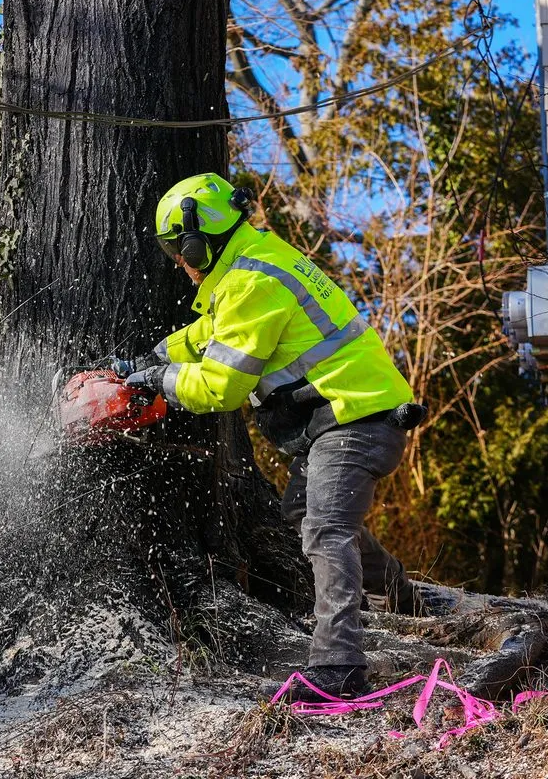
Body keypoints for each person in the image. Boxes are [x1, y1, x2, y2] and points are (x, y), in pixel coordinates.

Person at [114, 173, 427, 702]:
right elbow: (207, 337)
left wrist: (157, 382)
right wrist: (151, 360)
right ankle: (407, 597)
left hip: (356, 420)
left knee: (324, 531)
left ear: (197, 241)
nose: (177, 261)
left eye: (176, 249)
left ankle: (338, 669)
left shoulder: (250, 282)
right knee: (307, 515)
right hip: (347, 417)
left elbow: (220, 386)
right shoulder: (250, 264)